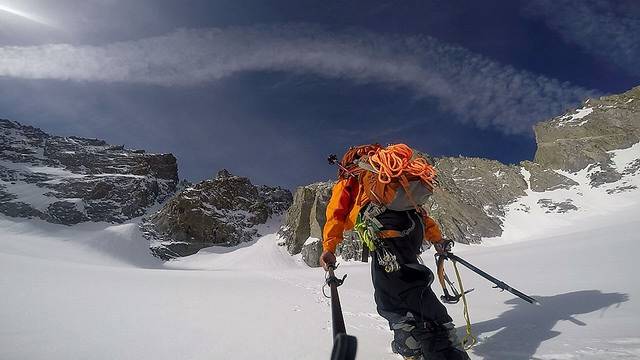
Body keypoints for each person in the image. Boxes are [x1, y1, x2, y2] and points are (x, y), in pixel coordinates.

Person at [320, 144, 470, 360]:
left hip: (384, 226)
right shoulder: (392, 180)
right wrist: (437, 239)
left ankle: (440, 343)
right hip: (412, 227)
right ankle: (411, 339)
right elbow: (420, 213)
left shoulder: (353, 176)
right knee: (397, 285)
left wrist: (329, 247)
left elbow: (336, 213)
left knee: (397, 289)